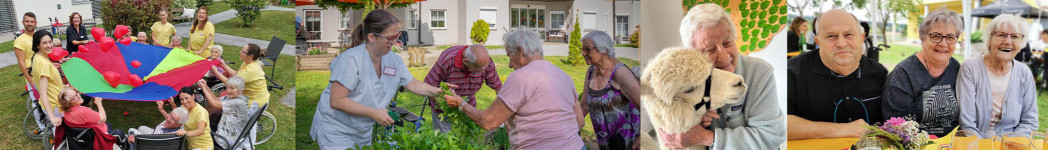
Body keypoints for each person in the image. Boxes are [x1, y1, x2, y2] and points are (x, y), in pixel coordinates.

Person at [309, 9, 448, 149]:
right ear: (371, 37)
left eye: (397, 36)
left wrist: (439, 91)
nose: (394, 42)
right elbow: (337, 101)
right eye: (389, 38)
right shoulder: (351, 60)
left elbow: (412, 83)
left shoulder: (394, 60)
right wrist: (374, 113)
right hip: (336, 129)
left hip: (362, 129)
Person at [656, 4, 786, 149]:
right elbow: (672, 132)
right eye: (710, 50)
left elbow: (770, 137)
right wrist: (694, 119)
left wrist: (707, 137)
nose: (724, 56)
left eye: (727, 42)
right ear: (692, 56)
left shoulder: (760, 73)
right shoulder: (683, 83)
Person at [443, 29, 585, 150]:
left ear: (520, 51)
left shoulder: (521, 77)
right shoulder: (563, 75)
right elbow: (580, 121)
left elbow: (488, 121)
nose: (510, 65)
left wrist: (461, 104)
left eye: (509, 56)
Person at [787, 9, 888, 140]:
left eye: (848, 34)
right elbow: (777, 124)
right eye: (831, 36)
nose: (841, 43)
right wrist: (842, 129)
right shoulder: (793, 72)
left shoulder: (879, 73)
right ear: (818, 42)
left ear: (861, 38)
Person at [880, 9, 963, 137]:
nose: (943, 43)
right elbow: (896, 128)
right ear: (922, 38)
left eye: (950, 37)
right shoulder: (903, 75)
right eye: (936, 36)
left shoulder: (956, 68)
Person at [958, 14, 1039, 138]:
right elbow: (967, 122)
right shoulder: (970, 68)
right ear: (989, 40)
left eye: (1015, 37)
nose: (1007, 41)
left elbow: (1029, 120)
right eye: (1001, 35)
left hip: (1012, 143)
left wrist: (1010, 144)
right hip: (977, 142)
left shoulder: (1024, 73)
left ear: (1021, 43)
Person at [576, 31, 641, 149]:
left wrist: (642, 137)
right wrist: (569, 127)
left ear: (603, 50)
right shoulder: (591, 71)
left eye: (588, 49)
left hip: (628, 141)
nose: (583, 53)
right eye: (583, 49)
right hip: (605, 141)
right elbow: (584, 105)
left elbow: (645, 106)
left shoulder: (620, 73)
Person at [422, 44, 502, 133]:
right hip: (443, 106)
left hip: (468, 103)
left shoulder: (483, 62)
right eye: (478, 69)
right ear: (466, 62)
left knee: (472, 136)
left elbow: (499, 87)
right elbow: (428, 85)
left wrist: (504, 111)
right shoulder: (448, 61)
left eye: (484, 68)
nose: (483, 71)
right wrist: (442, 101)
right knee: (444, 140)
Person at [55, 87, 122, 150]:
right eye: (74, 97)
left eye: (76, 93)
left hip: (81, 137)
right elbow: (103, 118)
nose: (78, 95)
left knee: (108, 124)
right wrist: (99, 103)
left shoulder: (67, 112)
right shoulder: (83, 111)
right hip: (97, 135)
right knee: (119, 132)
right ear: (68, 103)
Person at [31, 31, 66, 127]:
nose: (49, 45)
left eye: (50, 42)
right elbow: (42, 92)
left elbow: (49, 75)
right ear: (38, 45)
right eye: (44, 43)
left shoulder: (39, 57)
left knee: (59, 133)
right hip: (55, 104)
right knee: (62, 134)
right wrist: (52, 117)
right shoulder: (43, 63)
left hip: (53, 101)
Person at [215, 76, 251, 149]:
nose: (228, 90)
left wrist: (204, 88)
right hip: (238, 133)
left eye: (232, 88)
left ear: (240, 90)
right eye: (227, 87)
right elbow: (215, 99)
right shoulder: (239, 97)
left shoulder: (236, 102)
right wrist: (205, 86)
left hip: (228, 139)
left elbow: (213, 103)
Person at [176, 85, 214, 150]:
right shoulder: (184, 107)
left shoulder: (201, 112)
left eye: (186, 98)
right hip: (192, 146)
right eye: (182, 99)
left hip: (204, 146)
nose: (184, 102)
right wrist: (161, 109)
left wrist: (185, 133)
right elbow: (176, 117)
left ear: (193, 96)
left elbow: (200, 131)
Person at [16, 12, 37, 96]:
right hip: (32, 75)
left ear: (36, 23)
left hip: (44, 72)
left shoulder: (38, 37)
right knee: (38, 103)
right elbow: (21, 62)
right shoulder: (20, 41)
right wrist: (30, 80)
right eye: (27, 21)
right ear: (23, 23)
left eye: (32, 22)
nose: (30, 24)